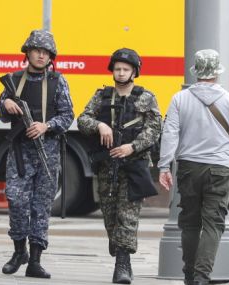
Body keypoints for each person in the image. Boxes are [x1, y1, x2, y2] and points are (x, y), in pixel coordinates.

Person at [77, 48, 161, 284]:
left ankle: (123, 265)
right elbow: (82, 119)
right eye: (117, 69)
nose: (121, 73)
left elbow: (154, 129)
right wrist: (99, 126)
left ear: (134, 71)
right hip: (107, 165)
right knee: (110, 216)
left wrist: (132, 147)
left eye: (126, 69)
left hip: (134, 165)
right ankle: (118, 249)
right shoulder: (102, 96)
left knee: (127, 214)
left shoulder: (146, 97)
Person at [0, 29, 73, 279]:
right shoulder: (14, 79)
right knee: (16, 200)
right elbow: (1, 110)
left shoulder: (58, 81)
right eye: (36, 51)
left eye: (45, 52)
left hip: (47, 153)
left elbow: (67, 115)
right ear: (27, 53)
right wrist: (6, 104)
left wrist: (46, 126)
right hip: (20, 151)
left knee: (41, 207)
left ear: (51, 56)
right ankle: (19, 251)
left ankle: (35, 260)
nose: (41, 55)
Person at [158, 49, 229, 285]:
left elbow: (170, 133)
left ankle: (189, 274)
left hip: (189, 167)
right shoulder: (228, 99)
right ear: (217, 72)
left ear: (196, 71)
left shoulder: (180, 99)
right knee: (213, 223)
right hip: (220, 167)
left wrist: (164, 166)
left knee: (190, 223)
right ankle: (202, 276)